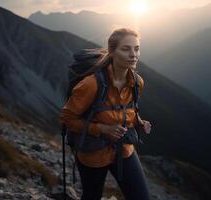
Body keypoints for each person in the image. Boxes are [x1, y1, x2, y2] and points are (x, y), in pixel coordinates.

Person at [60, 28, 152, 200]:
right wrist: (101, 128)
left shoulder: (137, 82)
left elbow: (128, 111)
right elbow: (67, 118)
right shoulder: (91, 85)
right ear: (112, 51)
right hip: (92, 153)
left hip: (124, 150)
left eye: (136, 48)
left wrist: (139, 122)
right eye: (126, 49)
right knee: (92, 196)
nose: (134, 54)